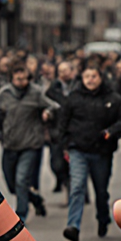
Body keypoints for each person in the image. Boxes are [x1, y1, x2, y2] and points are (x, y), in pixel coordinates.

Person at [56, 66, 121, 241]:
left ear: (100, 77)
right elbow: (63, 123)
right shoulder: (73, 98)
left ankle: (103, 217)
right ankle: (73, 225)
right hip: (78, 150)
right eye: (87, 76)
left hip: (101, 151)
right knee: (77, 187)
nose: (91, 79)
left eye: (94, 76)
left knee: (101, 190)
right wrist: (64, 145)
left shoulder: (112, 98)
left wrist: (111, 131)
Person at [0, 63, 59, 223]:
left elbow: (54, 106)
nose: (21, 82)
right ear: (12, 79)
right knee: (12, 184)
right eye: (18, 79)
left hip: (30, 144)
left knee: (21, 180)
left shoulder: (35, 93)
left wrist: (47, 112)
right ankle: (35, 199)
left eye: (24, 79)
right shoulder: (4, 93)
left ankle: (21, 215)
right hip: (10, 144)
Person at [46, 61, 78, 194]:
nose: (64, 73)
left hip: (75, 131)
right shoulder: (52, 89)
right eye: (61, 71)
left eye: (66, 70)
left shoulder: (78, 87)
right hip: (58, 131)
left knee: (74, 165)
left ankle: (75, 191)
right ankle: (67, 184)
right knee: (57, 164)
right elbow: (45, 104)